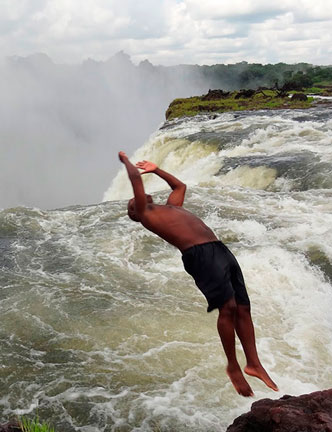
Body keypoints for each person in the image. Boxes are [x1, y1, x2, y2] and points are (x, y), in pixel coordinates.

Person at [118, 151, 278, 397]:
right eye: (133, 203)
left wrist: (156, 169)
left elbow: (179, 185)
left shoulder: (172, 207)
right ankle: (233, 366)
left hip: (219, 249)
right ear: (137, 214)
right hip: (199, 255)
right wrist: (127, 162)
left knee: (244, 307)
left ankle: (253, 364)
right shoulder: (147, 216)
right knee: (228, 309)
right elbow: (136, 183)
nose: (135, 200)